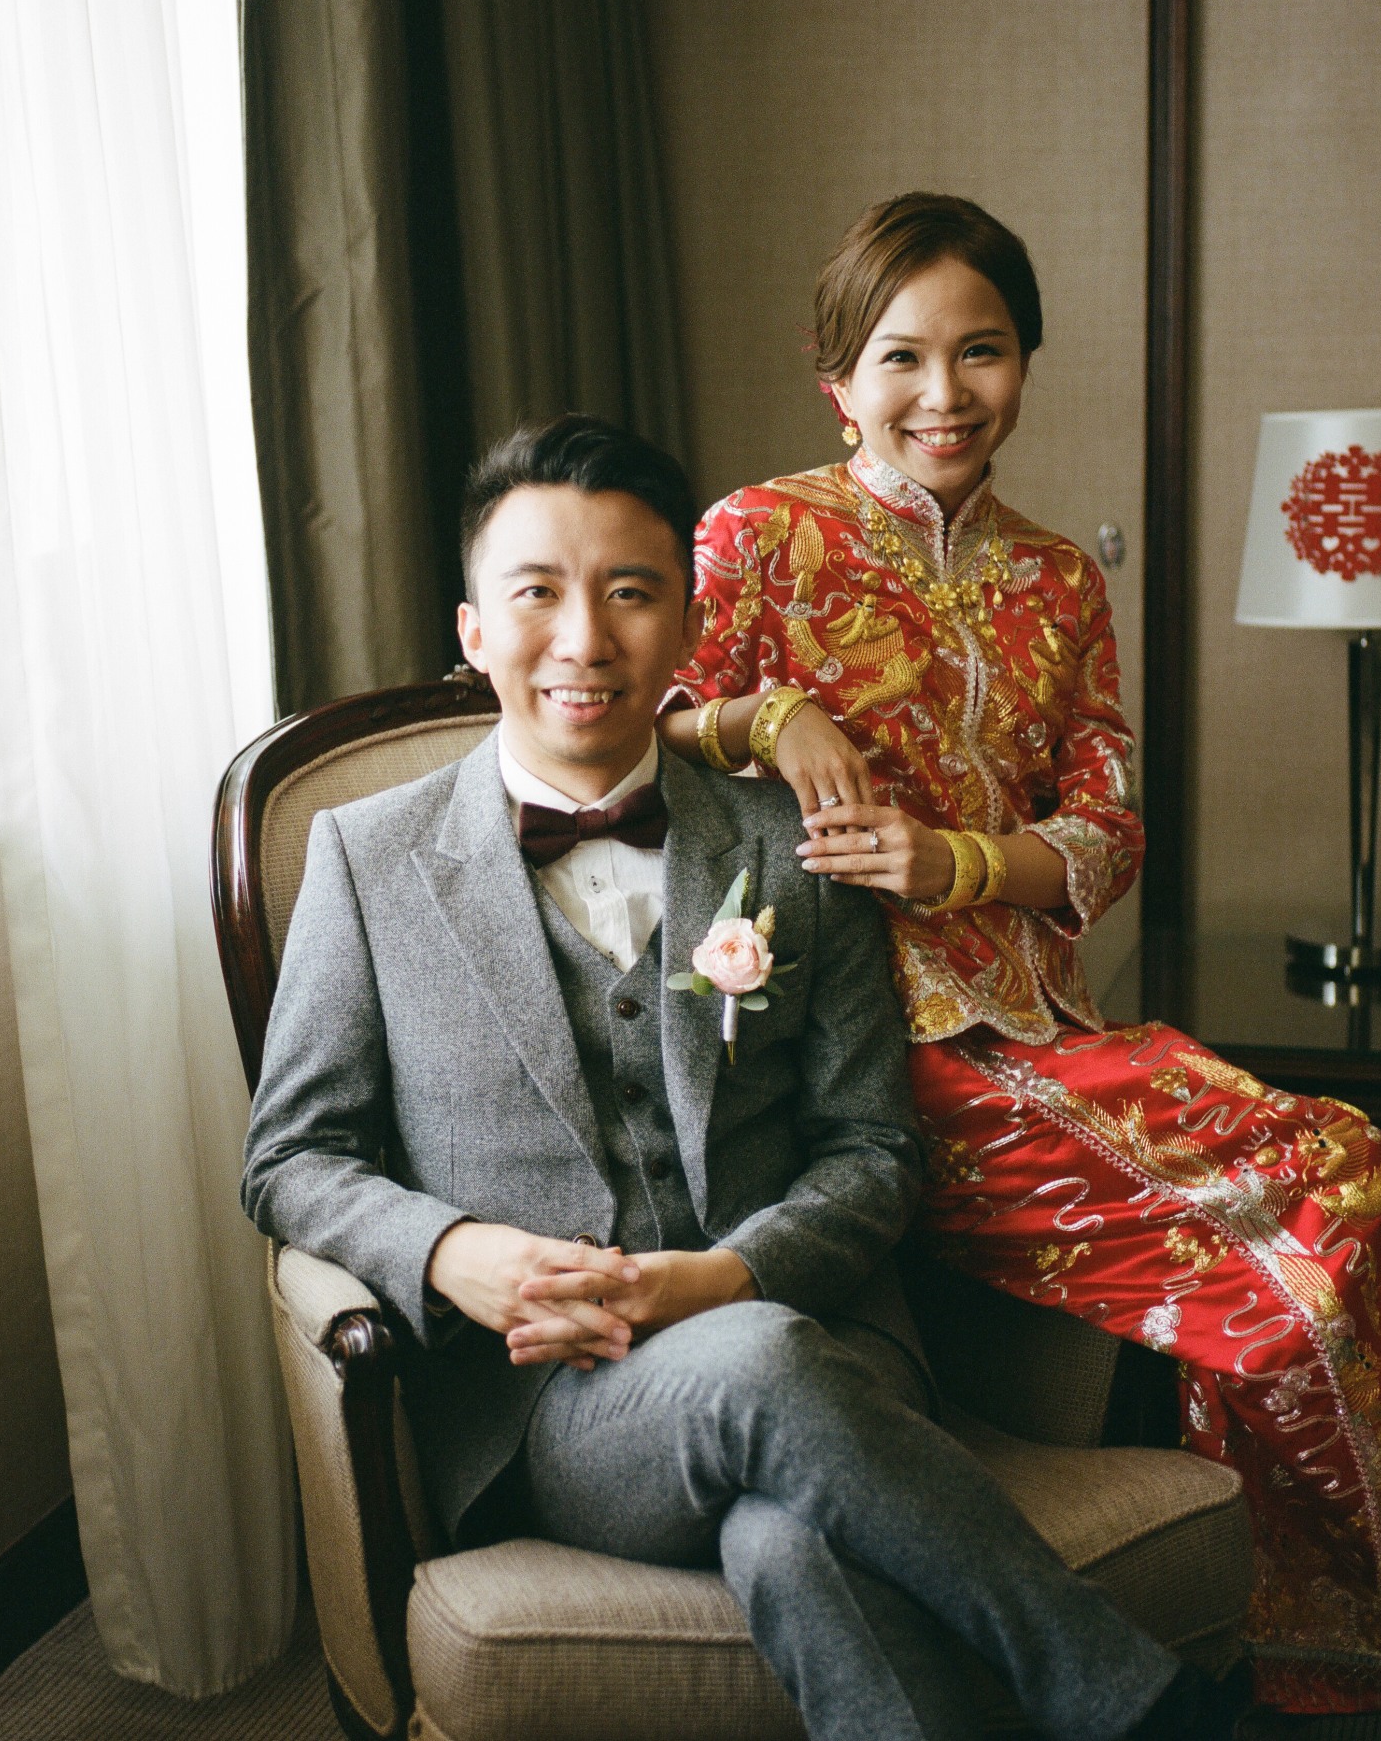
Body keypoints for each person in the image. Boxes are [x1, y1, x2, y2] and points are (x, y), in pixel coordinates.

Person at [656, 193, 1381, 1715]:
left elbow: (1111, 827)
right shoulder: (758, 536)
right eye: (901, 357)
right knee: (1297, 1249)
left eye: (983, 350)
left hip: (1049, 1030)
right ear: (837, 379)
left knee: (1352, 1159)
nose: (944, 393)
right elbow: (635, 729)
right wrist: (771, 714)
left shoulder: (1059, 578)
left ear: (1027, 363)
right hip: (877, 1058)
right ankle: (1333, 1630)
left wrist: (959, 860)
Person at [244, 414, 1242, 1741]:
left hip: (821, 1341)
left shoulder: (790, 845)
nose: (585, 639)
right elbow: (291, 1158)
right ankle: (1132, 1698)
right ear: (475, 630)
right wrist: (453, 1254)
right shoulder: (366, 857)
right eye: (537, 594)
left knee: (789, 1538)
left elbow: (873, 1151)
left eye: (630, 593)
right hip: (561, 1400)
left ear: (688, 622)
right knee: (765, 1388)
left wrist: (724, 1279)